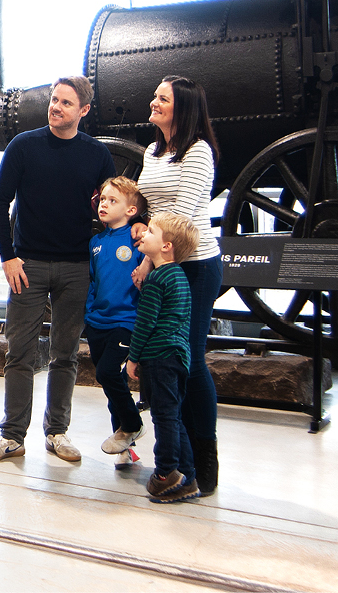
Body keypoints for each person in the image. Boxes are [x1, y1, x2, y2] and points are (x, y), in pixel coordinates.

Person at [0, 77, 115, 464]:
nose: (56, 107)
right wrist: (7, 255)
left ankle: (57, 432)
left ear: (83, 111)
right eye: (54, 100)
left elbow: (112, 209)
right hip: (28, 266)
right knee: (18, 353)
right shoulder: (24, 146)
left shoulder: (97, 155)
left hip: (76, 268)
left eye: (66, 103)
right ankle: (12, 436)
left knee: (65, 355)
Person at [134, 75, 222, 495]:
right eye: (155, 96)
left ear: (181, 108)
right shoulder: (153, 150)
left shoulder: (198, 151)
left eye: (162, 98)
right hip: (160, 259)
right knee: (167, 360)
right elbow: (151, 206)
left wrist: (151, 261)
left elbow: (184, 216)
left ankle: (204, 462)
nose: (154, 102)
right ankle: (180, 458)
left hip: (194, 265)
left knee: (191, 357)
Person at [126, 211, 200, 503]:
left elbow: (145, 323)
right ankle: (187, 476)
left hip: (159, 357)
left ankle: (166, 472)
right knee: (175, 415)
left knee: (163, 416)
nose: (144, 234)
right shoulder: (178, 276)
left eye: (151, 232)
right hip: (179, 356)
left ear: (166, 246)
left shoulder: (157, 279)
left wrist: (133, 358)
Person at [86, 176, 148, 468]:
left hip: (125, 321)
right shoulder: (95, 242)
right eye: (103, 199)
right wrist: (89, 312)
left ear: (131, 211)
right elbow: (94, 281)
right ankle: (124, 444)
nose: (104, 204)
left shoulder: (138, 240)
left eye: (113, 201)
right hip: (97, 322)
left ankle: (133, 424)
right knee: (113, 386)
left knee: (108, 373)